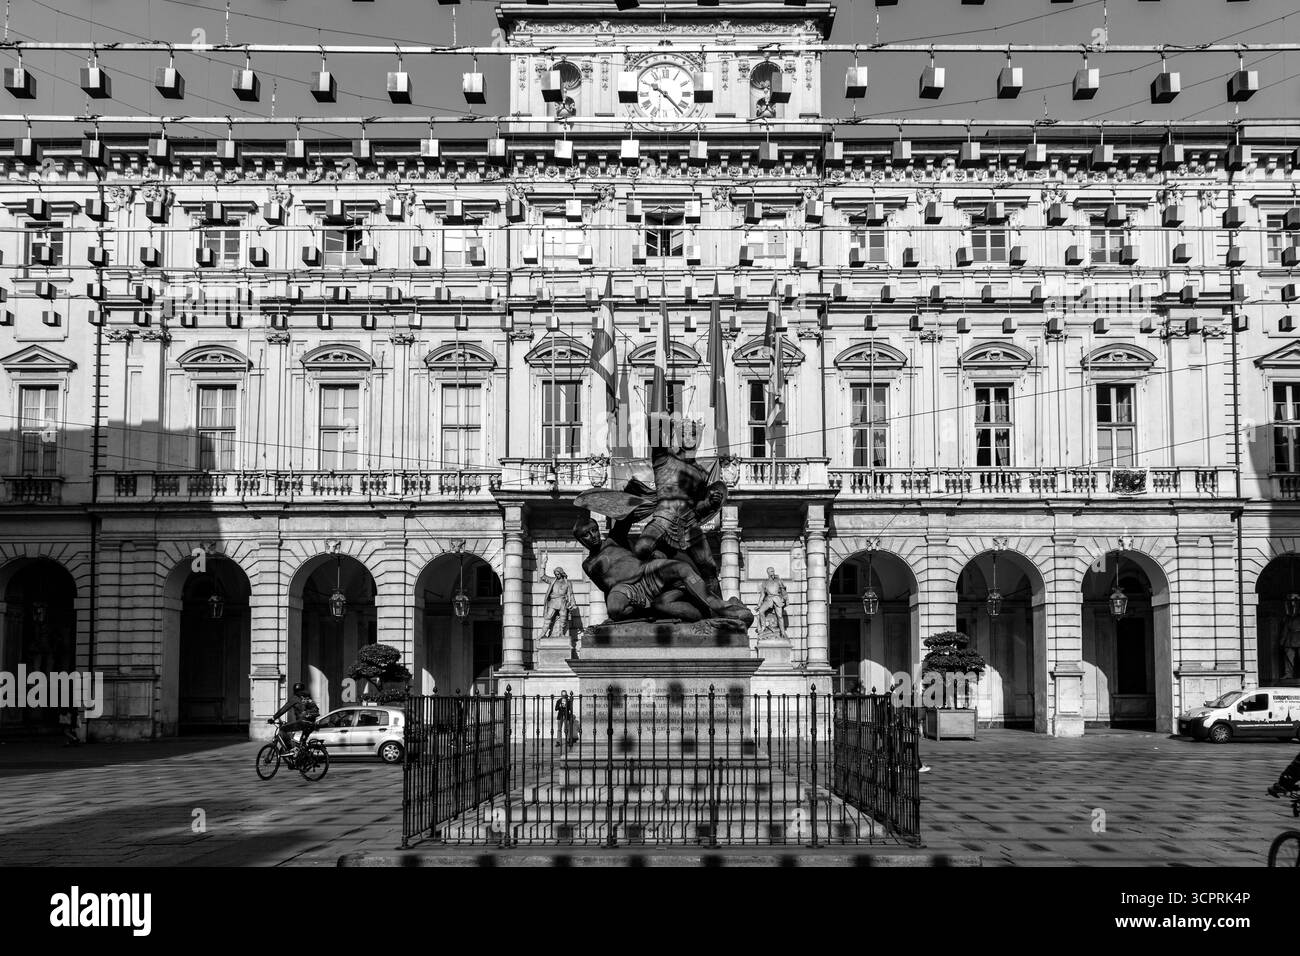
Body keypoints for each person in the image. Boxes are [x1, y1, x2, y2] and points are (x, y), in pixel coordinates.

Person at [268, 682, 320, 760]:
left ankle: (291, 750)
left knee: (283, 729)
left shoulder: (295, 698)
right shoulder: (308, 698)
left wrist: (273, 718)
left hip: (303, 722)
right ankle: (303, 760)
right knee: (302, 743)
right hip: (311, 723)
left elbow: (284, 709)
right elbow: (316, 709)